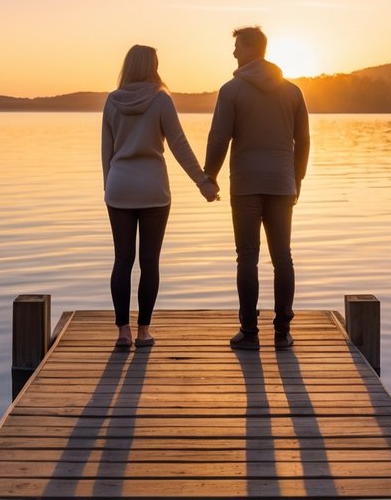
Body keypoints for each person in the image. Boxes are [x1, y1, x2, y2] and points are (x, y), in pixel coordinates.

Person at [102, 45, 219, 351]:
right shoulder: (161, 99)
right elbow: (179, 145)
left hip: (120, 188)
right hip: (154, 189)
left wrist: (109, 187)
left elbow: (107, 152)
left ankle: (122, 333)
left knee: (122, 260)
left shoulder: (112, 101)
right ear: (153, 66)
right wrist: (202, 182)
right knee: (149, 261)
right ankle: (143, 332)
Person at [205, 27, 310, 351]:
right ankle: (282, 332)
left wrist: (210, 176)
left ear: (251, 49)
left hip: (247, 185)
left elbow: (220, 137)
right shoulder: (292, 91)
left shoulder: (231, 90)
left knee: (247, 258)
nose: (234, 53)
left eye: (237, 47)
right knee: (283, 258)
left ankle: (249, 333)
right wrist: (297, 178)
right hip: (282, 184)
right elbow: (303, 139)